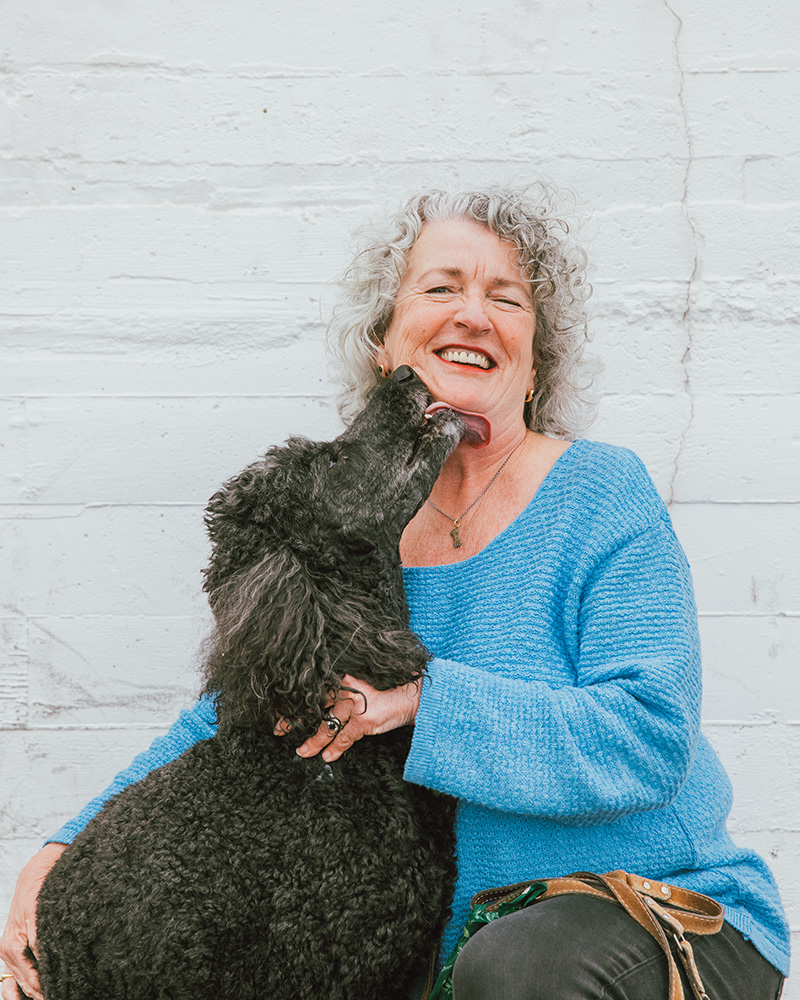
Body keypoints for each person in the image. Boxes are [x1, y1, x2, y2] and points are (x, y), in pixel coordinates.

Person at [0, 186, 789, 1000]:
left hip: (653, 917)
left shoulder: (599, 493)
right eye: (441, 287)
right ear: (385, 342)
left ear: (535, 355)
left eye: (505, 298)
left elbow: (649, 737)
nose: (472, 315)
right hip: (453, 962)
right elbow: (235, 716)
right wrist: (64, 849)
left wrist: (421, 702)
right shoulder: (356, 526)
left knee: (520, 969)